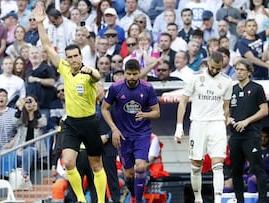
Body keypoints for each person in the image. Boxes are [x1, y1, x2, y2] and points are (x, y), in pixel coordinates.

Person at [34, 4, 107, 203]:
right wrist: (41, 24)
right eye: (70, 57)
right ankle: (82, 200)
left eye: (76, 56)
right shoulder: (65, 68)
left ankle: (100, 201)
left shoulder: (88, 73)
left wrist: (91, 72)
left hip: (90, 122)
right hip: (72, 123)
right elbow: (47, 46)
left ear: (81, 57)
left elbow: (98, 76)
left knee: (96, 165)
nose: (73, 59)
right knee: (67, 162)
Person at [174, 51, 233, 203]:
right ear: (208, 63)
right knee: (196, 165)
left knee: (218, 164)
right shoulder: (195, 77)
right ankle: (198, 198)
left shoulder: (227, 81)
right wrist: (179, 127)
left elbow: (226, 106)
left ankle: (218, 200)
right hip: (198, 124)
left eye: (218, 68)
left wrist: (225, 121)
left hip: (217, 124)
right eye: (213, 67)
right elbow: (183, 102)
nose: (215, 71)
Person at [101, 59, 160, 203]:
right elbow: (104, 108)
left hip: (142, 133)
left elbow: (157, 112)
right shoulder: (115, 88)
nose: (132, 77)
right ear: (124, 73)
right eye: (129, 74)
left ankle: (138, 200)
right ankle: (134, 195)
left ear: (139, 73)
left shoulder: (147, 88)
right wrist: (114, 129)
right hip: (123, 135)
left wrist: (145, 114)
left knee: (140, 166)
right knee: (128, 174)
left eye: (135, 74)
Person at [228, 58, 269, 203]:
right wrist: (230, 119)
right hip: (235, 135)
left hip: (251, 134)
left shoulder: (256, 88)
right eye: (236, 69)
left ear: (249, 72)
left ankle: (263, 200)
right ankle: (240, 201)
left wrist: (247, 121)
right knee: (236, 171)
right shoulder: (232, 89)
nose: (238, 73)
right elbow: (225, 111)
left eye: (241, 70)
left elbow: (264, 110)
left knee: (257, 169)